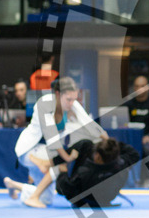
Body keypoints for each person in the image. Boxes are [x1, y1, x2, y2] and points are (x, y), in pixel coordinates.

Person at [9, 76, 108, 208]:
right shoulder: (44, 104)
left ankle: (14, 186)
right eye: (68, 99)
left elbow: (89, 124)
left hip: (44, 151)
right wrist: (67, 158)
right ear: (58, 94)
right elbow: (53, 139)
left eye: (74, 99)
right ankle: (33, 197)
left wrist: (108, 140)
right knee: (59, 166)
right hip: (28, 150)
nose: (71, 103)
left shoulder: (72, 104)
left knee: (47, 199)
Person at [9, 137, 140, 209]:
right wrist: (112, 145)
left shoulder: (86, 173)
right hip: (106, 198)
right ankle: (45, 166)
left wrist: (63, 173)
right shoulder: (122, 163)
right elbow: (134, 154)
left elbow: (63, 190)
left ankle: (48, 165)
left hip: (85, 201)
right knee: (86, 145)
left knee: (83, 145)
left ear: (99, 157)